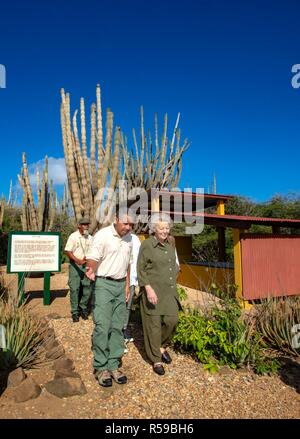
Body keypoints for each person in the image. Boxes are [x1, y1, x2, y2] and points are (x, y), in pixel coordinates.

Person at [85, 209, 133, 388]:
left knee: (117, 326)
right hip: (104, 284)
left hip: (121, 285)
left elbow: (128, 263)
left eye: (131, 225)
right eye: (125, 223)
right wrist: (91, 268)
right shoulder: (102, 235)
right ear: (116, 219)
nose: (128, 228)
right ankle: (101, 367)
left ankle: (113, 365)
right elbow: (92, 259)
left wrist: (127, 285)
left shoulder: (129, 238)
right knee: (102, 326)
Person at [137, 213, 180, 376]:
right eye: (161, 228)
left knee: (172, 320)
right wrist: (147, 288)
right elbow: (140, 268)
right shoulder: (147, 245)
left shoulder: (171, 243)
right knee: (153, 326)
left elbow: (173, 265)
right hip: (152, 291)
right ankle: (156, 359)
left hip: (168, 291)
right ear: (154, 228)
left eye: (167, 227)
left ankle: (161, 345)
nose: (165, 230)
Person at [64, 217, 93, 323]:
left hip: (87, 265)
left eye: (87, 224)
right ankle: (75, 312)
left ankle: (83, 308)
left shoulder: (90, 237)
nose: (86, 226)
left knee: (87, 288)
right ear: (79, 226)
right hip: (75, 266)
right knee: (74, 289)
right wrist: (77, 260)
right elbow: (67, 251)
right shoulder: (73, 236)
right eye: (84, 224)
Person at [123, 232, 141, 349]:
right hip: (120, 278)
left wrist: (138, 281)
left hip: (132, 279)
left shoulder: (135, 239)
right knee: (120, 306)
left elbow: (139, 258)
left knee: (127, 306)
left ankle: (124, 329)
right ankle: (118, 333)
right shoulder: (118, 237)